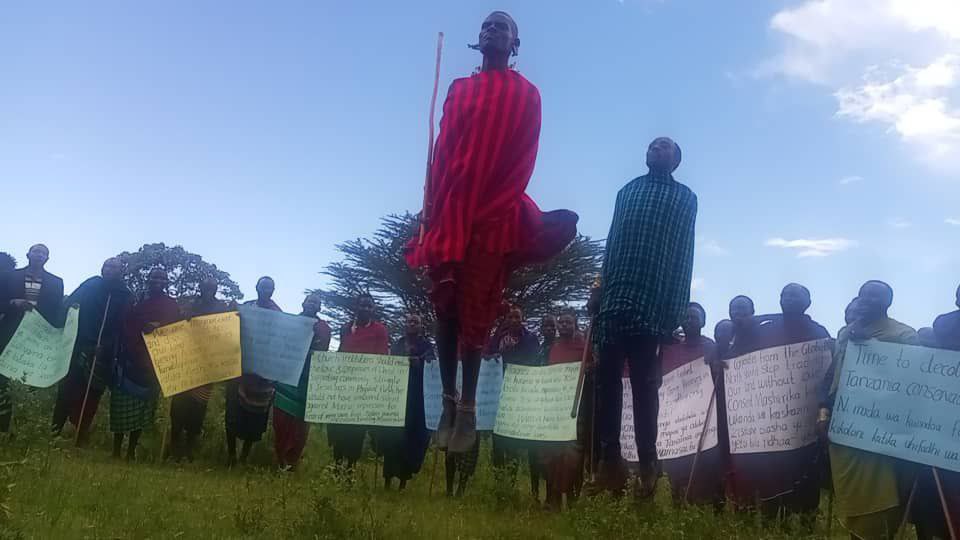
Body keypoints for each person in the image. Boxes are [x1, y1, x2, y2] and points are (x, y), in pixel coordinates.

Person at [404, 10, 578, 454]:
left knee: (476, 308)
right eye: (485, 26)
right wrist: (432, 204)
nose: (491, 31)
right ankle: (446, 400)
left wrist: (499, 207)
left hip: (493, 210)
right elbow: (442, 151)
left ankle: (467, 407)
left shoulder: (527, 95)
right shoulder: (459, 89)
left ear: (514, 44)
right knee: (444, 303)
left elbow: (525, 156)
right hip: (450, 206)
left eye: (501, 27)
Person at [594, 136, 697, 496]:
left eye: (665, 146)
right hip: (615, 297)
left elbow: (684, 253)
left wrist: (673, 311)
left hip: (651, 302)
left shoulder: (685, 198)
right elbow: (612, 241)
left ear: (676, 160)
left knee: (644, 386)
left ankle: (648, 464)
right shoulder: (627, 191)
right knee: (605, 383)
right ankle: (609, 461)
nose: (656, 148)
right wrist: (598, 289)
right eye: (653, 145)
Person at [818, 280, 919, 540]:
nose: (866, 301)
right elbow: (835, 379)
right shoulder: (845, 333)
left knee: (881, 493)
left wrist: (872, 348)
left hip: (880, 429)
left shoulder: (904, 335)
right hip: (845, 426)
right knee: (852, 494)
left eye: (874, 297)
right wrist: (824, 413)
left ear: (888, 302)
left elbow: (910, 382)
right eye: (862, 295)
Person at [729, 284, 831, 523]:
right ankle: (774, 522)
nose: (788, 299)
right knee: (772, 476)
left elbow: (826, 373)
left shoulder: (818, 332)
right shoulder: (764, 331)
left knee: (805, 474)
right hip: (771, 422)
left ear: (808, 302)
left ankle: (807, 523)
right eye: (784, 294)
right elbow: (738, 357)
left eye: (795, 295)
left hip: (802, 421)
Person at [52, 257, 132, 445]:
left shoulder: (124, 294)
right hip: (78, 344)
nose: (108, 269)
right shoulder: (90, 284)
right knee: (67, 389)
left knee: (92, 394)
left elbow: (122, 325)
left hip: (102, 350)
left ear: (121, 271)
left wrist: (104, 346)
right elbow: (71, 303)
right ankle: (55, 429)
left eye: (113, 267)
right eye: (106, 266)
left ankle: (81, 434)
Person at [657, 303, 723, 507]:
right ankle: (679, 505)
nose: (689, 321)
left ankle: (706, 507)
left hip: (704, 419)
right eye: (685, 317)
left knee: (705, 466)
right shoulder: (669, 350)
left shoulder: (711, 346)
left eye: (694, 317)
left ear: (703, 321)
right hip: (676, 421)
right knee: (678, 467)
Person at [111, 268, 180, 460]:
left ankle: (131, 451)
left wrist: (160, 327)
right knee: (120, 409)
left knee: (143, 413)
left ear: (167, 283)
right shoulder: (136, 302)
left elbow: (176, 330)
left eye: (162, 278)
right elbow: (126, 325)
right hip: (131, 362)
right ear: (148, 280)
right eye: (154, 277)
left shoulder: (172, 305)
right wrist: (143, 327)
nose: (158, 280)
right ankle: (116, 449)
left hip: (154, 365)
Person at [0, 244, 65, 433]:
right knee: (3, 381)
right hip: (8, 335)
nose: (39, 255)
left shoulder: (56, 282)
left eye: (43, 252)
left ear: (47, 258)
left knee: (29, 383)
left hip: (36, 339)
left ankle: (21, 430)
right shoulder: (8, 276)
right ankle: (2, 428)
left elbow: (56, 312)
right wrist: (13, 303)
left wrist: (71, 316)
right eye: (36, 251)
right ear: (28, 254)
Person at [167, 277, 231, 463]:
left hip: (206, 367)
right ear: (200, 287)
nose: (208, 289)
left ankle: (189, 450)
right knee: (177, 409)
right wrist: (183, 317)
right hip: (185, 363)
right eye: (205, 286)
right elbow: (177, 327)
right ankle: (173, 448)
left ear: (216, 288)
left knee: (197, 410)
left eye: (212, 287)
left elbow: (227, 334)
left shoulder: (222, 309)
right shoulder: (189, 305)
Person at [486, 305, 544, 500]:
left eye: (517, 317)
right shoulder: (498, 337)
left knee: (514, 442)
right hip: (498, 395)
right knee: (498, 442)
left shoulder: (531, 339)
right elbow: (486, 356)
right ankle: (499, 482)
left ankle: (512, 481)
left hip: (521, 396)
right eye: (510, 317)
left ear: (523, 319)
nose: (514, 320)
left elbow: (535, 361)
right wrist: (494, 356)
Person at [329, 293, 389, 471]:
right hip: (343, 386)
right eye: (362, 305)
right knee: (338, 426)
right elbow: (341, 351)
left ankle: (350, 468)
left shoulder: (380, 330)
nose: (365, 308)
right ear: (356, 306)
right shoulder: (346, 328)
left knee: (356, 429)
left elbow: (381, 357)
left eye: (369, 306)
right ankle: (337, 465)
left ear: (373, 309)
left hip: (364, 387)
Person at [226, 277, 281, 467]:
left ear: (273, 291)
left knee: (256, 418)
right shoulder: (246, 308)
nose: (266, 290)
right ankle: (231, 455)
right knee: (233, 414)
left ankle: (244, 457)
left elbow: (281, 340)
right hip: (240, 370)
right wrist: (231, 311)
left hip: (262, 376)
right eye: (263, 286)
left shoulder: (278, 314)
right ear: (256, 288)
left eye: (270, 288)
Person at [273, 293, 331, 471]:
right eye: (309, 301)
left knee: (299, 425)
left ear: (319, 308)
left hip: (307, 382)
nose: (312, 304)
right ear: (302, 303)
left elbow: (321, 354)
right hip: (286, 380)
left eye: (316, 303)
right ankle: (279, 459)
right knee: (280, 420)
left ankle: (292, 461)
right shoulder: (290, 322)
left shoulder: (323, 328)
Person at [380, 313, 434, 490]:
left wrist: (420, 363)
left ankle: (403, 481)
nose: (412, 324)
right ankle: (387, 479)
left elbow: (432, 370)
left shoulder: (427, 347)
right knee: (392, 439)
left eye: (415, 322)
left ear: (421, 326)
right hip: (396, 399)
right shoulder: (397, 344)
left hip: (417, 402)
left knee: (412, 440)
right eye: (409, 321)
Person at [542, 309, 587, 510]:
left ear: (575, 325)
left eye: (569, 322)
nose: (564, 325)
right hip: (555, 410)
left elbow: (593, 368)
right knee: (553, 455)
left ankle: (573, 498)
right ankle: (553, 499)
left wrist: (590, 369)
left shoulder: (584, 347)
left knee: (572, 456)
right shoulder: (554, 348)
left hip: (576, 411)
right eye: (561, 322)